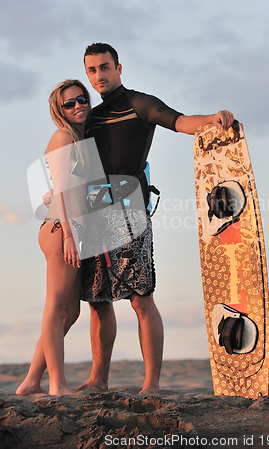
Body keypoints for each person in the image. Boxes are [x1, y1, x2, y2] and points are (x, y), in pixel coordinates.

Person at [76, 43, 234, 395]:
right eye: (92, 70)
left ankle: (151, 384)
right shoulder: (89, 117)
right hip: (94, 209)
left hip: (130, 211)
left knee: (140, 298)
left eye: (105, 67)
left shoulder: (139, 104)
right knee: (99, 301)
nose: (99, 75)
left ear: (119, 69)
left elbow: (180, 122)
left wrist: (210, 119)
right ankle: (98, 379)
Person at [16, 79, 91, 396]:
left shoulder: (79, 139)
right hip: (62, 230)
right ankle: (57, 384)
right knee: (55, 307)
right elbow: (61, 188)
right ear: (59, 111)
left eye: (81, 98)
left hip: (69, 227)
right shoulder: (63, 136)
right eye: (69, 103)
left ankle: (31, 381)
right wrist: (71, 237)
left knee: (69, 312)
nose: (78, 106)